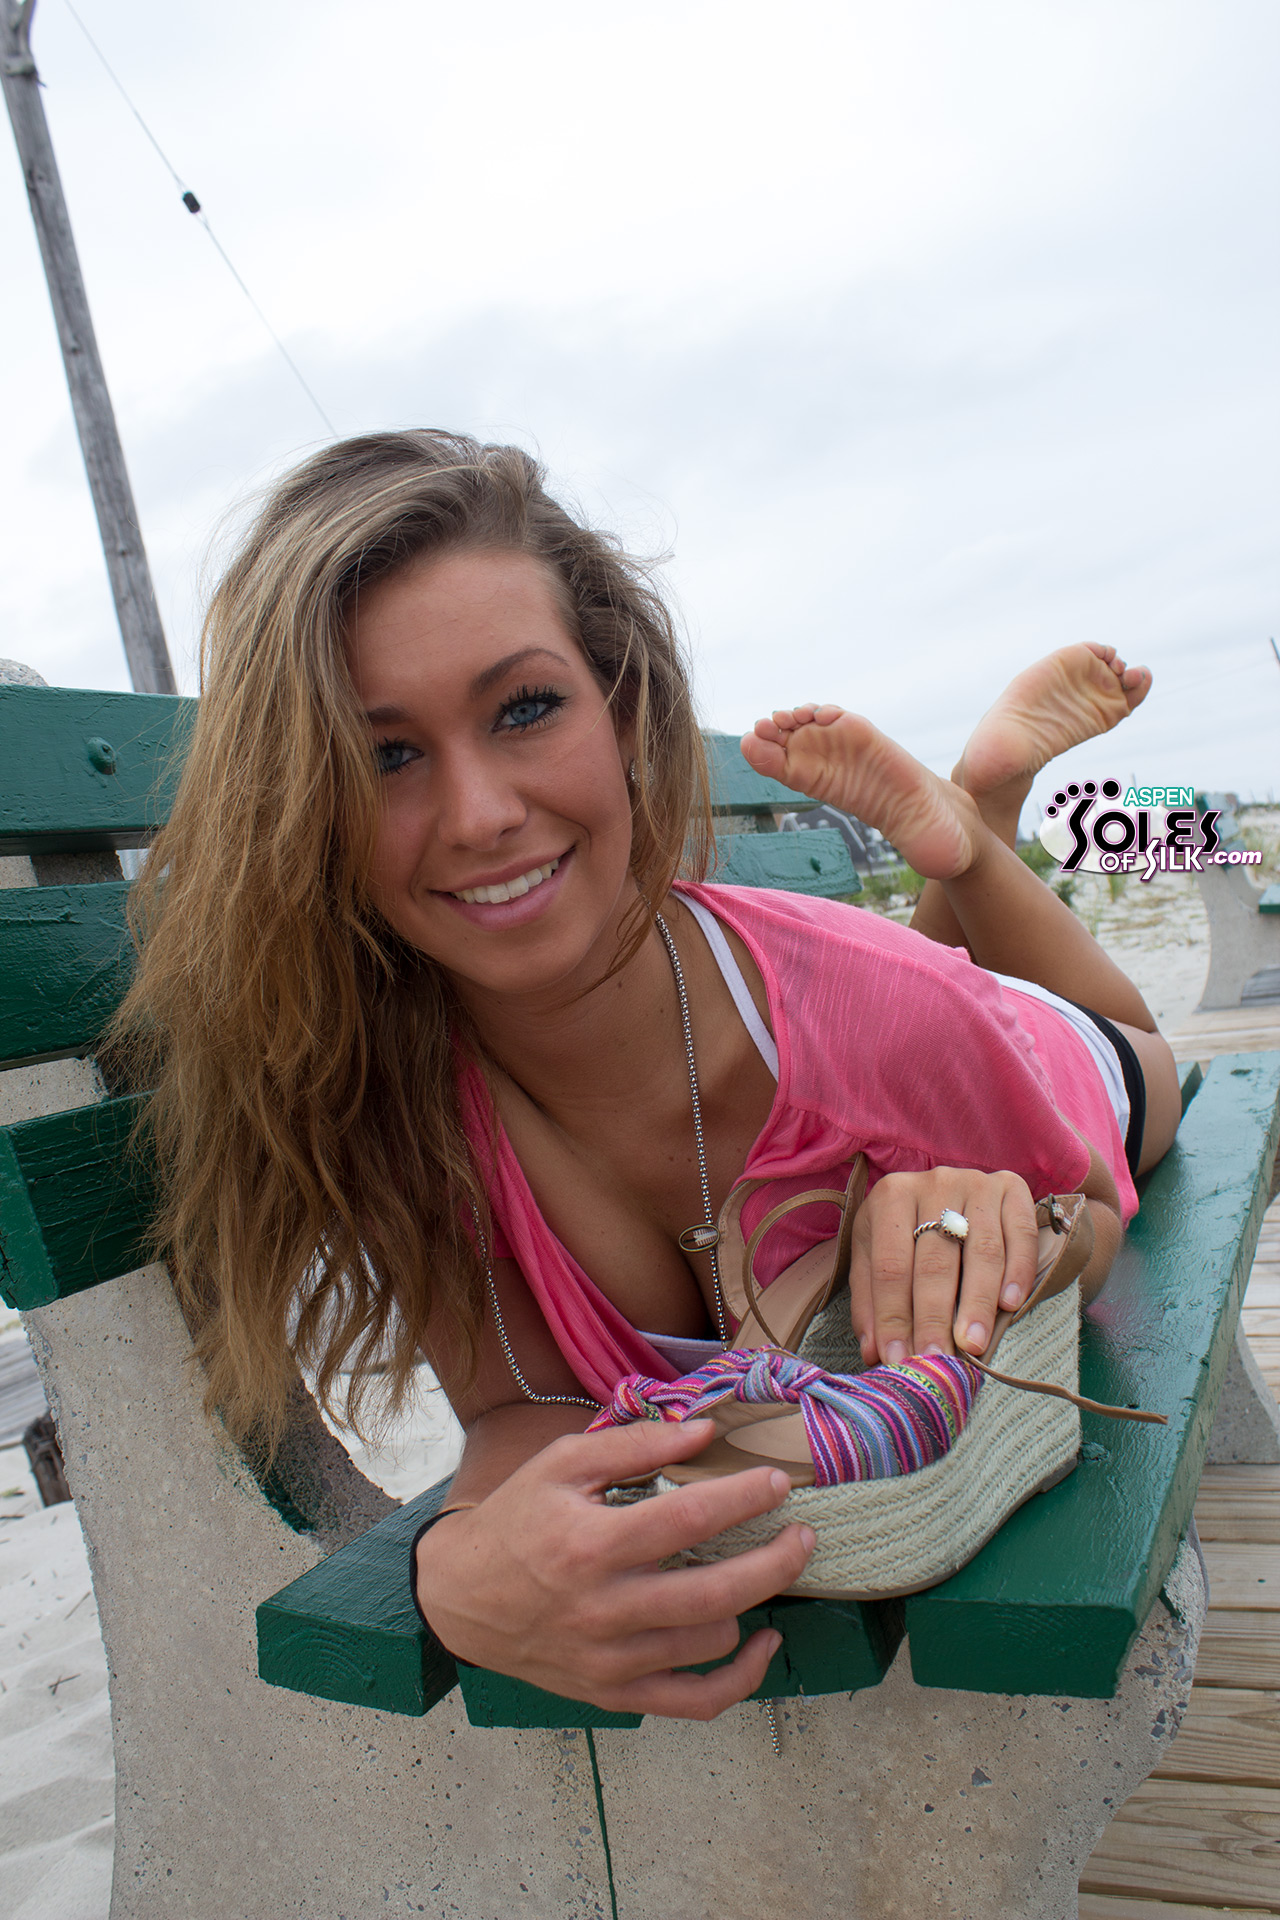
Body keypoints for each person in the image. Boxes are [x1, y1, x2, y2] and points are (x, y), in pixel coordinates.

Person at [116, 429, 1179, 1723]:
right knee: (912, 1019)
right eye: (386, 755)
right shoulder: (396, 1096)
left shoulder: (886, 1012)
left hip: (995, 1042)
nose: (480, 814)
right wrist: (454, 1569)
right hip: (886, 1024)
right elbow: (519, 1409)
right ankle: (962, 848)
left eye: (524, 709)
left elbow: (1097, 1208)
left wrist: (1002, 1221)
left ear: (622, 712)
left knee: (1134, 1051)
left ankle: (975, 837)